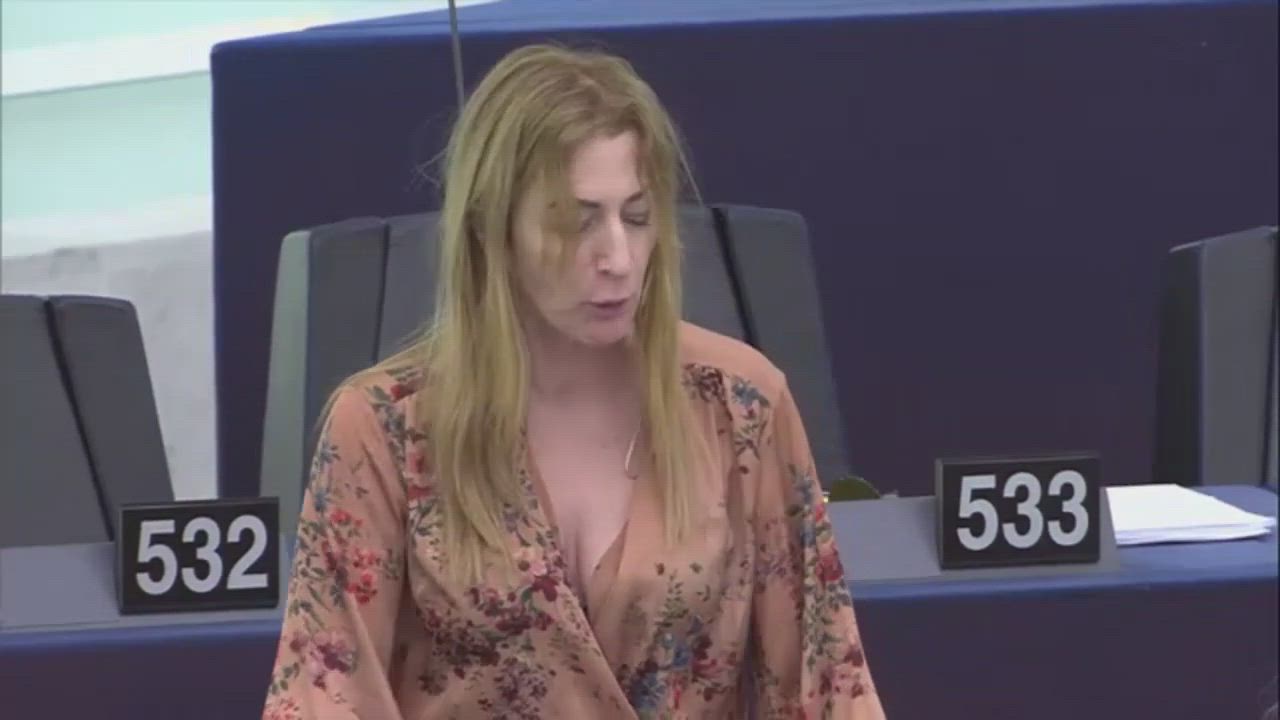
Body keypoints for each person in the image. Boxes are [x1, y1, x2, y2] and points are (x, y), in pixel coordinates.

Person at [262, 43, 885, 719]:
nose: (617, 257)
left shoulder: (740, 404)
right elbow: (324, 694)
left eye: (637, 217)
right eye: (575, 223)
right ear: (491, 230)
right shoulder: (384, 428)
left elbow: (828, 687)